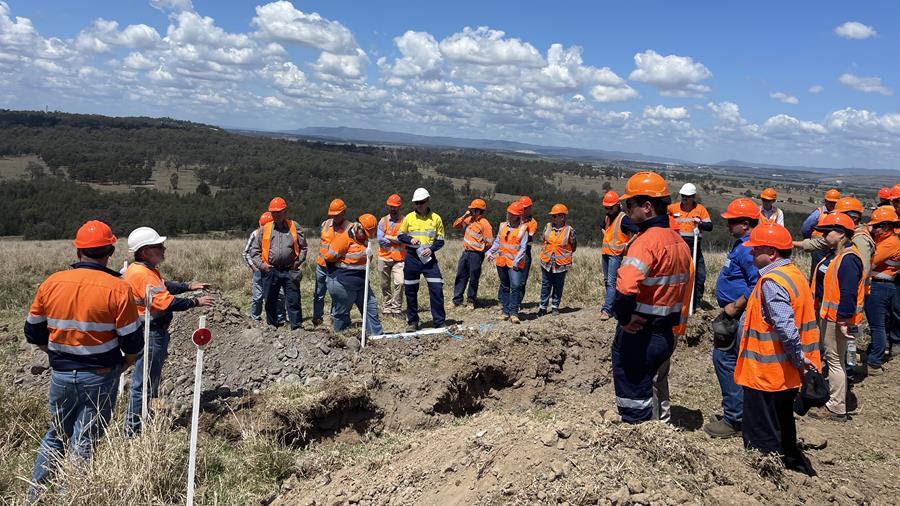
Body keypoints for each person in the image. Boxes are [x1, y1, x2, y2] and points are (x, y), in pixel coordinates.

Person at [24, 221, 143, 501]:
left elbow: (32, 330)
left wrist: (53, 352)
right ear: (110, 251)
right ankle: (71, 498)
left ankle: (34, 497)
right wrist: (128, 361)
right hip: (100, 376)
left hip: (62, 375)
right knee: (85, 440)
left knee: (56, 435)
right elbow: (132, 340)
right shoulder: (118, 288)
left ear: (78, 252)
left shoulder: (52, 282)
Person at [735, 223, 820, 476]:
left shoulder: (772, 281)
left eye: (756, 249)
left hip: (766, 373)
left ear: (771, 252)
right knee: (782, 422)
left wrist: (797, 358)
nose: (751, 254)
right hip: (784, 373)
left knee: (762, 431)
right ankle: (789, 462)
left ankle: (766, 476)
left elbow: (785, 327)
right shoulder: (792, 273)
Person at [613, 172, 692, 424]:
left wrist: (624, 317)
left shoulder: (646, 243)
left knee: (634, 395)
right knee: (655, 387)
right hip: (666, 332)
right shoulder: (678, 241)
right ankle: (659, 429)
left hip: (641, 334)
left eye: (630, 204)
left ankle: (638, 437)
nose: (626, 209)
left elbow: (625, 288)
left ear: (647, 207)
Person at [123, 226, 214, 436]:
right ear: (145, 251)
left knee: (148, 383)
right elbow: (166, 302)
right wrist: (196, 301)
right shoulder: (141, 274)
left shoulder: (144, 270)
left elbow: (163, 286)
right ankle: (133, 432)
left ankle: (141, 422)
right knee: (143, 385)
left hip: (151, 332)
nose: (163, 248)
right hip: (150, 333)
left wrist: (187, 286)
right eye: (158, 246)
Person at [703, 199, 760, 438]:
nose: (728, 225)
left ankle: (734, 419)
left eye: (732, 222)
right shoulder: (743, 244)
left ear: (745, 224)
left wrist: (735, 307)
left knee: (725, 360)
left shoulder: (749, 248)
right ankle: (738, 414)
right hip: (736, 314)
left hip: (739, 316)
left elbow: (758, 281)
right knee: (730, 361)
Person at [807, 213, 864, 422]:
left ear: (840, 234)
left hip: (838, 320)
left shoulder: (848, 259)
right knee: (835, 359)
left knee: (835, 360)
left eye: (827, 232)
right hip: (831, 316)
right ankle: (835, 401)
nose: (823, 235)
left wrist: (842, 321)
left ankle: (836, 407)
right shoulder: (835, 255)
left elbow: (848, 293)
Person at [249, 197, 308, 329]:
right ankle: (272, 325)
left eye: (278, 212)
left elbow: (304, 247)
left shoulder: (294, 226)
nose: (275, 214)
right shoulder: (265, 229)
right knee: (270, 300)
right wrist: (262, 265)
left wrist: (297, 262)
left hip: (289, 270)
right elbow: (254, 251)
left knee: (293, 300)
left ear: (285, 211)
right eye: (273, 212)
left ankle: (296, 327)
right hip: (271, 270)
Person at [322, 214, 384, 336]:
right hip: (343, 283)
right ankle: (340, 339)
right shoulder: (344, 239)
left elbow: (365, 262)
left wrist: (369, 255)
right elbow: (329, 258)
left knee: (371, 308)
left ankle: (377, 337)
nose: (367, 236)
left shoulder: (366, 241)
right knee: (342, 313)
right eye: (365, 233)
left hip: (362, 283)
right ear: (358, 227)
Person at [398, 187, 446, 331]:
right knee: (411, 291)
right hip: (412, 258)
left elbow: (441, 240)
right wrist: (409, 239)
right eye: (416, 203)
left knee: (436, 288)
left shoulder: (436, 218)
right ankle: (413, 322)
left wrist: (431, 249)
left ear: (428, 201)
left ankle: (439, 321)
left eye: (421, 202)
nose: (419, 205)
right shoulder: (409, 218)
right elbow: (400, 235)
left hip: (429, 260)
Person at [864, 207, 900, 372]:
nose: (873, 229)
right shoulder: (887, 240)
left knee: (877, 326)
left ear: (886, 226)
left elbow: (869, 262)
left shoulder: (890, 243)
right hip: (883, 286)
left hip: (880, 287)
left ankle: (874, 363)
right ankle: (874, 355)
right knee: (879, 325)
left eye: (876, 226)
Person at [668, 183, 712, 309]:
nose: (684, 199)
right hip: (678, 245)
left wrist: (700, 223)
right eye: (683, 196)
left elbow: (710, 226)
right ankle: (677, 300)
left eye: (687, 196)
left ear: (693, 197)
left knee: (699, 274)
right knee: (677, 274)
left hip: (695, 245)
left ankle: (696, 303)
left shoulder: (700, 209)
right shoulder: (673, 208)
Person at [487, 201, 529, 323]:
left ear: (518, 215)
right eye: (509, 213)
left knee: (515, 286)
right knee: (505, 286)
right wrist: (490, 252)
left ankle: (514, 313)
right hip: (502, 261)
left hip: (514, 264)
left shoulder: (523, 229)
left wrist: (516, 261)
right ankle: (505, 312)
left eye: (513, 214)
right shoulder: (503, 226)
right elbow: (497, 242)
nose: (510, 215)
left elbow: (523, 247)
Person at [600, 191, 638, 320]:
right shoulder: (607, 217)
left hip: (616, 255)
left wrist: (628, 244)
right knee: (607, 281)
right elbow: (602, 227)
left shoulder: (623, 218)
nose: (608, 210)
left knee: (611, 282)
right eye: (606, 208)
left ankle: (607, 309)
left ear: (617, 205)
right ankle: (614, 306)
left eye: (611, 208)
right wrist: (606, 236)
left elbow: (637, 231)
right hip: (606, 253)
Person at [452, 198, 494, 309]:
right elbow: (455, 225)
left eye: (473, 209)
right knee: (460, 276)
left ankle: (471, 301)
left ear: (479, 210)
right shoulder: (468, 219)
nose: (471, 211)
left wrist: (481, 251)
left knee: (474, 278)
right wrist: (464, 216)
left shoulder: (485, 224)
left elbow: (489, 242)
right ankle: (457, 301)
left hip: (476, 255)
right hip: (465, 252)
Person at [313, 199, 349, 327]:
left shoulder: (349, 227)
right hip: (322, 265)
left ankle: (334, 319)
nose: (335, 217)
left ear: (343, 212)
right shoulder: (325, 224)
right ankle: (317, 319)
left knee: (336, 294)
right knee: (318, 294)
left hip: (337, 267)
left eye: (337, 214)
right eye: (333, 214)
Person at [244, 211, 284, 323]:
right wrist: (254, 267)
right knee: (258, 296)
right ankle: (255, 318)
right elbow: (246, 252)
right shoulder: (255, 234)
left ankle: (280, 318)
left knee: (279, 295)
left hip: (275, 270)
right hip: (259, 271)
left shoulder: (277, 234)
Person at [538, 204, 577, 316]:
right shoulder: (547, 226)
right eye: (553, 216)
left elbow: (573, 246)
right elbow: (543, 240)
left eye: (555, 216)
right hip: (546, 261)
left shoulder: (570, 230)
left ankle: (555, 307)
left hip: (561, 264)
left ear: (562, 217)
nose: (553, 218)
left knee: (558, 285)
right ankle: (543, 307)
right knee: (546, 285)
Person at [800, 188, 841, 279]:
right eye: (829, 202)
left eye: (834, 202)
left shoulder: (839, 214)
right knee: (816, 273)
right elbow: (805, 228)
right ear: (825, 201)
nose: (831, 204)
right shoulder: (818, 213)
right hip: (818, 248)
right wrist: (809, 240)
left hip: (834, 248)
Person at [377, 194, 406, 317]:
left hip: (400, 258)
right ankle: (387, 307)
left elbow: (403, 239)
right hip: (384, 257)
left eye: (395, 207)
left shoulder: (405, 221)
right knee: (384, 284)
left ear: (399, 206)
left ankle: (396, 308)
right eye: (391, 206)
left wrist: (388, 237)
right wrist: (395, 239)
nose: (393, 209)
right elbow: (380, 240)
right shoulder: (383, 221)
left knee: (400, 282)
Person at [517, 196, 538, 307]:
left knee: (522, 280)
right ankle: (505, 302)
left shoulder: (532, 223)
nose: (523, 210)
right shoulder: (514, 218)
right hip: (513, 250)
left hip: (525, 252)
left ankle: (517, 303)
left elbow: (527, 238)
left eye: (525, 208)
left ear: (530, 208)